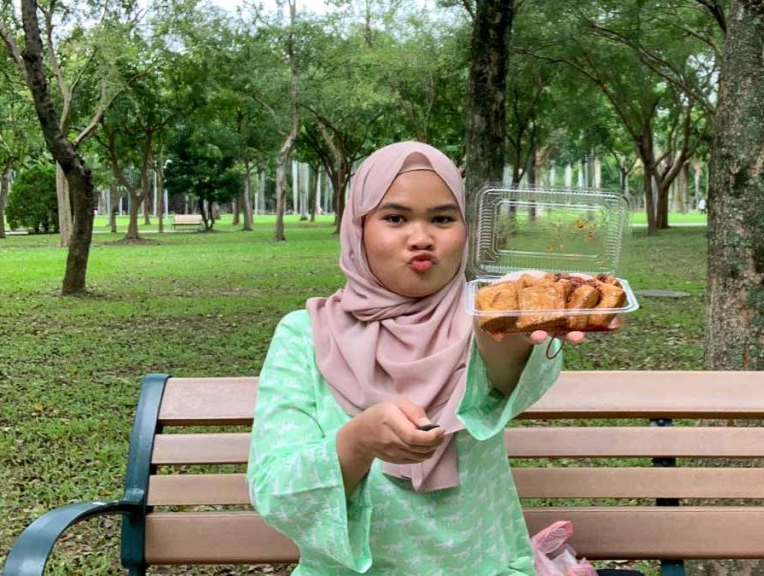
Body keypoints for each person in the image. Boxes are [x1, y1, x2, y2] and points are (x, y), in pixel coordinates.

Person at [247, 141, 586, 575]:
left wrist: (508, 329)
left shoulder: (484, 319)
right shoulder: (304, 336)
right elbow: (277, 490)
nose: (422, 238)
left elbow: (503, 386)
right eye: (395, 218)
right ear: (357, 228)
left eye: (442, 219)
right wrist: (358, 441)